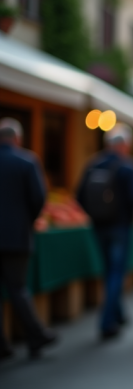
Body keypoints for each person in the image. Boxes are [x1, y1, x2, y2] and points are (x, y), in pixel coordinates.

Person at [0, 118, 57, 359]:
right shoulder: (27, 161)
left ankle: (3, 345)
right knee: (17, 288)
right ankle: (35, 335)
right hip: (16, 236)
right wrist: (27, 220)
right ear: (17, 138)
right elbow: (38, 198)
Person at [77, 123, 133, 340]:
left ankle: (118, 313)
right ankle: (107, 322)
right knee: (116, 272)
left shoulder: (93, 164)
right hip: (120, 227)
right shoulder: (127, 167)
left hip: (99, 226)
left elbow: (79, 196)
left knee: (109, 271)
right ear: (125, 145)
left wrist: (95, 215)